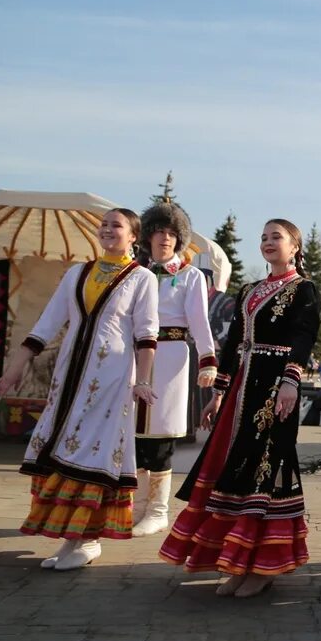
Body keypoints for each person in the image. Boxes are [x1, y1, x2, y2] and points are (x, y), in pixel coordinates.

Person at [159, 219, 320, 598]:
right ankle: (236, 562)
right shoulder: (250, 289)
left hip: (274, 385)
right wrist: (218, 393)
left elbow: (303, 336)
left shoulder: (304, 290)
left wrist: (290, 381)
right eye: (263, 236)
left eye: (276, 237)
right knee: (233, 466)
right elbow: (233, 342)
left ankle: (263, 566)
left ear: (295, 246)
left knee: (266, 465)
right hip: (241, 389)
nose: (267, 242)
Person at [0, 209, 159, 570]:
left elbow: (146, 334)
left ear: (134, 236)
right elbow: (48, 322)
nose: (107, 229)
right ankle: (71, 538)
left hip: (113, 378)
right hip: (69, 374)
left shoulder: (142, 278)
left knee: (93, 452)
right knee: (62, 445)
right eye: (104, 224)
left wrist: (144, 381)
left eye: (116, 225)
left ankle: (90, 539)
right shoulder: (77, 273)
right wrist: (15, 368)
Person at [130, 201, 217, 537]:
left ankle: (158, 510)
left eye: (171, 233)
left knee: (161, 431)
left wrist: (208, 360)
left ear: (179, 239)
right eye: (158, 232)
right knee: (135, 433)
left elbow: (200, 321)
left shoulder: (190, 276)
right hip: (136, 358)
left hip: (171, 358)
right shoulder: (138, 274)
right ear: (148, 236)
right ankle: (135, 507)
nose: (164, 238)